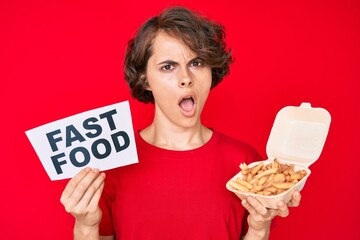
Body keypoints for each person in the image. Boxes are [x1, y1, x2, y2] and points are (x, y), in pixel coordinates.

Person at [60, 6, 301, 240]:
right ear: (145, 80)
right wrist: (85, 226)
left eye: (196, 63)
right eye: (168, 67)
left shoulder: (245, 164)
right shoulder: (113, 164)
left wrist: (259, 230)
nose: (186, 78)